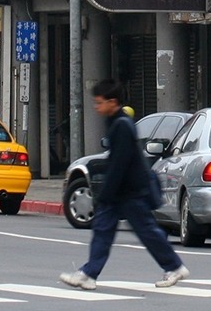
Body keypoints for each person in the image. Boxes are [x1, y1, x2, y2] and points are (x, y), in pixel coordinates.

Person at [59, 79, 188, 292]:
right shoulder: (117, 122)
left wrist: (106, 193)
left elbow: (120, 163)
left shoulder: (121, 125)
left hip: (130, 191)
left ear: (113, 102)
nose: (96, 106)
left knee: (145, 231)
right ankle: (89, 273)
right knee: (104, 231)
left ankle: (174, 266)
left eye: (99, 102)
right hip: (123, 191)